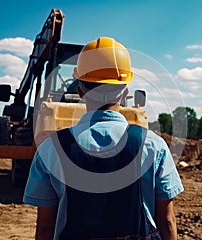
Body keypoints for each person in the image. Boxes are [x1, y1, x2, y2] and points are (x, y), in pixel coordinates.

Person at [23, 36, 184, 240]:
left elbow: (45, 227)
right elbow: (167, 221)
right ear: (125, 92)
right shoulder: (154, 146)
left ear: (80, 91)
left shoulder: (50, 149)